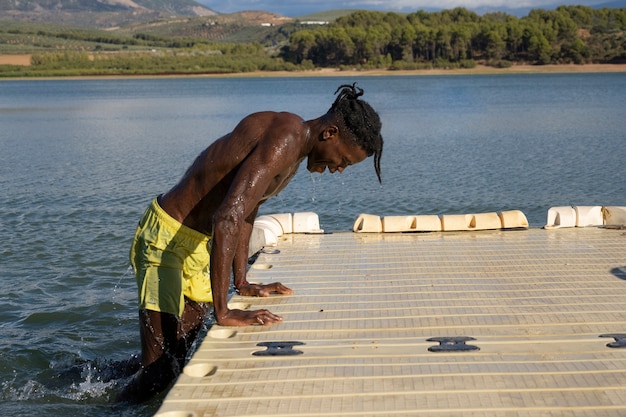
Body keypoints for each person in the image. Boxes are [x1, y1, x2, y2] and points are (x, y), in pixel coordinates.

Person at [117, 83, 383, 403]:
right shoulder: (286, 138)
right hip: (167, 239)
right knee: (159, 374)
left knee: (172, 363)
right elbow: (228, 217)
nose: (339, 169)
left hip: (199, 245)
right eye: (343, 160)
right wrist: (223, 311)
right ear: (330, 133)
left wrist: (241, 281)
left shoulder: (295, 149)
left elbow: (246, 212)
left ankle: (84, 376)